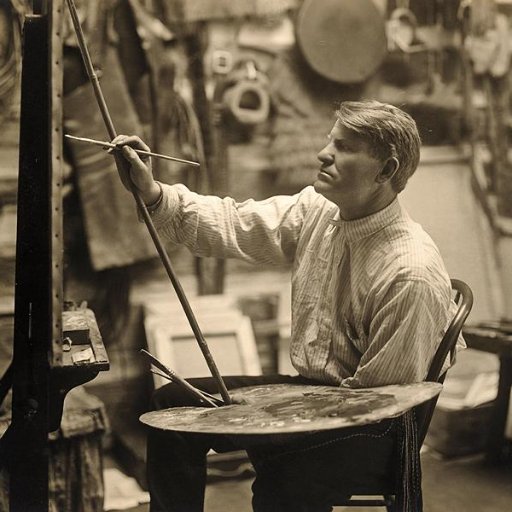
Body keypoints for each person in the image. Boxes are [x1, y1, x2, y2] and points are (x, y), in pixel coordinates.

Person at [113, 100, 462, 512]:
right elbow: (235, 224)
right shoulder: (321, 210)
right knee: (173, 405)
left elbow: (378, 403)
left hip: (373, 429)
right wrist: (153, 193)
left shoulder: (409, 272)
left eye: (345, 147)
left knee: (287, 475)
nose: (323, 153)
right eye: (331, 140)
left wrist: (272, 416)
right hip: (316, 395)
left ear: (385, 171)